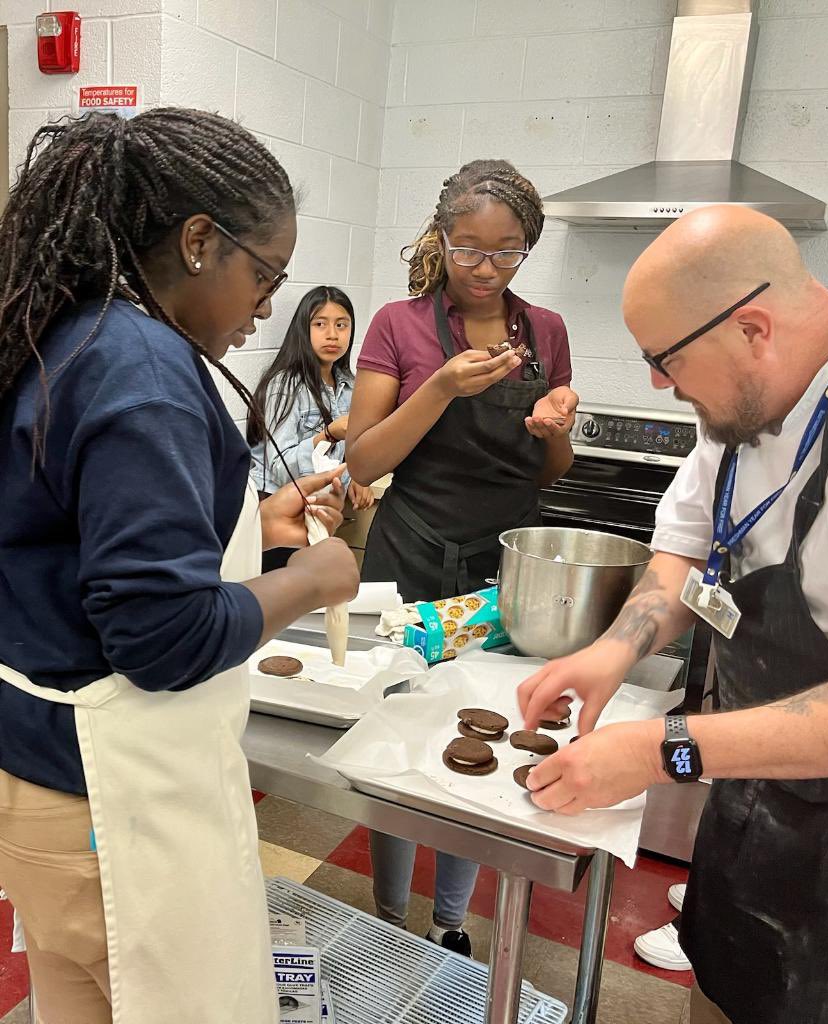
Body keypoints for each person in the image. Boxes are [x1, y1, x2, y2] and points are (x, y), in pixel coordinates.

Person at [518, 205, 828, 1024]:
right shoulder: (742, 398)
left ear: (752, 328)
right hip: (753, 795)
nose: (658, 385)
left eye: (663, 359)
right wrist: (613, 650)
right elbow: (683, 550)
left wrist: (664, 747)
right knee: (722, 991)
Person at [0, 108, 359, 1024]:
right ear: (200, 242)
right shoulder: (147, 371)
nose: (267, 308)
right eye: (266, 275)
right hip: (115, 798)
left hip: (39, 774)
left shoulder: (69, 333)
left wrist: (257, 527)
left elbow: (75, 531)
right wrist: (312, 579)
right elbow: (162, 637)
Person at [346, 159, 579, 955]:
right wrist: (440, 388)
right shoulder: (396, 325)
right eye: (468, 250)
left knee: (477, 735)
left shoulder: (544, 332)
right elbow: (365, 463)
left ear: (528, 248)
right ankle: (386, 914)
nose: (485, 270)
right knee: (394, 736)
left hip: (499, 564)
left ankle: (448, 921)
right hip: (408, 552)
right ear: (441, 240)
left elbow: (550, 471)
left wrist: (556, 431)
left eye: (506, 252)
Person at [247, 284, 374, 512]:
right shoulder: (285, 385)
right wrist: (327, 435)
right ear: (303, 330)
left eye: (341, 325)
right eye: (320, 324)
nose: (333, 334)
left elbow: (355, 450)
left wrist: (357, 477)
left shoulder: (350, 386)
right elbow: (280, 467)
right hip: (277, 508)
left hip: (320, 506)